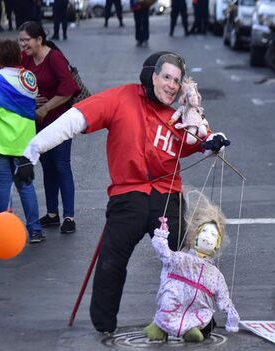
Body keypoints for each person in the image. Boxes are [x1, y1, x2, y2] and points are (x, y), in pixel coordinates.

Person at [14, 51, 229, 333]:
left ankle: (198, 320)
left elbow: (201, 139)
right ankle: (104, 324)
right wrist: (32, 152)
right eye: (166, 77)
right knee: (111, 259)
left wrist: (214, 142)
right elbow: (74, 121)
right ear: (151, 76)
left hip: (167, 197)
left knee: (186, 260)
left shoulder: (180, 116)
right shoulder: (119, 98)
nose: (172, 85)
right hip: (129, 195)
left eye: (177, 80)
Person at [144, 191, 240, 342]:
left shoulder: (215, 274)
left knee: (205, 319)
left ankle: (190, 329)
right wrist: (162, 234)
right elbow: (166, 255)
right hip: (175, 302)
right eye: (205, 232)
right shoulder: (183, 258)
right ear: (195, 236)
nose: (208, 237)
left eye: (213, 235)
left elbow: (223, 297)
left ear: (217, 244)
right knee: (168, 304)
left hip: (197, 309)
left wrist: (231, 316)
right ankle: (160, 327)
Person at [19, 21, 80, 234]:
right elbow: (20, 83)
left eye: (26, 40)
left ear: (39, 40)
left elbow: (70, 89)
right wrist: (31, 99)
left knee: (61, 165)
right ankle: (52, 213)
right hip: (39, 123)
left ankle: (69, 216)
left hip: (61, 121)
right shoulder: (25, 58)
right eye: (21, 40)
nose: (23, 44)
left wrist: (46, 107)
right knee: (47, 167)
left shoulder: (54, 57)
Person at [0, 40, 45, 244]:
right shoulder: (29, 77)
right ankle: (35, 230)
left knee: (3, 185)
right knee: (26, 185)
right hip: (24, 143)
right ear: (19, 56)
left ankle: (4, 232)